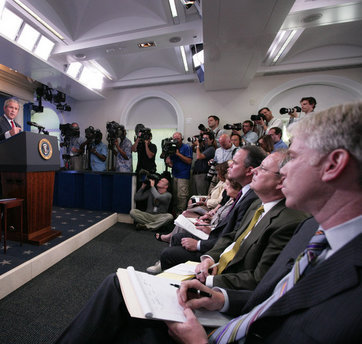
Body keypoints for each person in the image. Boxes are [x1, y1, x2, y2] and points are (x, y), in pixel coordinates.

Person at [55, 102, 362, 344]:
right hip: (228, 310)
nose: (283, 171)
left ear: (333, 165)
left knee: (118, 296)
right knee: (120, 287)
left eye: (293, 157)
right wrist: (221, 297)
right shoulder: (314, 231)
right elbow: (269, 296)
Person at [192, 150, 308, 290]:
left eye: (263, 168)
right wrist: (209, 259)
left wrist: (211, 281)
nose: (254, 171)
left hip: (230, 288)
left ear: (281, 181)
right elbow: (232, 237)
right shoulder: (257, 204)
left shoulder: (289, 222)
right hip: (217, 271)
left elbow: (260, 278)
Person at [158, 146, 265, 271]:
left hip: (220, 252)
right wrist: (210, 230)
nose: (229, 166)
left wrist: (199, 245)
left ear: (249, 171)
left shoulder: (251, 198)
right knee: (176, 238)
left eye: (235, 163)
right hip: (215, 238)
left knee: (168, 254)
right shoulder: (244, 193)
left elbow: (234, 238)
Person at [0, 97, 22, 229]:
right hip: (2, 164)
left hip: (16, 165)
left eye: (16, 109)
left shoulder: (18, 126)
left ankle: (9, 220)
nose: (13, 111)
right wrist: (8, 133)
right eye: (11, 108)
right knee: (2, 193)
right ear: (5, 108)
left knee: (13, 193)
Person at [165, 132, 193, 214]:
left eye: (177, 139)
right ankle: (175, 216)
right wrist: (168, 162)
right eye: (174, 139)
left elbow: (189, 161)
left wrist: (178, 154)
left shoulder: (186, 147)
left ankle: (180, 215)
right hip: (175, 175)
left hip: (183, 176)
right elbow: (172, 164)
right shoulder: (172, 148)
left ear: (181, 139)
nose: (176, 140)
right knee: (175, 197)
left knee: (182, 197)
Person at [190, 132, 215, 196]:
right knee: (194, 194)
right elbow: (192, 149)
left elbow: (199, 156)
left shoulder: (211, 149)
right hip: (196, 173)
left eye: (206, 139)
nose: (204, 140)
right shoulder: (203, 147)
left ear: (211, 140)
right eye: (203, 138)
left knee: (201, 195)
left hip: (203, 175)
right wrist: (195, 143)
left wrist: (198, 145)